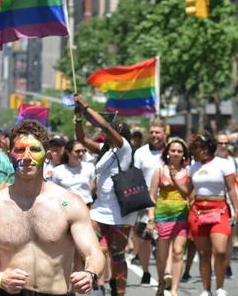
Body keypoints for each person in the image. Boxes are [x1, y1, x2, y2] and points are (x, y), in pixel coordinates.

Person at [0, 119, 105, 296]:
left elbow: (94, 253)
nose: (27, 157)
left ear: (47, 156)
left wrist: (89, 273)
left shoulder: (70, 204)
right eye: (20, 150)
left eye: (35, 150)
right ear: (9, 156)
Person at [74, 94, 136, 296]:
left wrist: (86, 106)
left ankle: (119, 292)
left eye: (112, 128)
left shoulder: (124, 149)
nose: (107, 130)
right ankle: (93, 286)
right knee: (87, 248)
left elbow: (105, 127)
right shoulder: (104, 150)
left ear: (119, 133)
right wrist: (78, 119)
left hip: (121, 213)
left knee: (117, 255)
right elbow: (81, 139)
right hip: (99, 209)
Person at [171, 131, 238, 296]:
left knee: (220, 250)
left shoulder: (224, 164)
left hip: (220, 210)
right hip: (198, 212)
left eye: (197, 148)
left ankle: (220, 287)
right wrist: (175, 180)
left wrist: (236, 210)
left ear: (206, 147)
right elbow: (188, 190)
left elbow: (231, 189)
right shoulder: (195, 167)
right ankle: (207, 289)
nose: (194, 151)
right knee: (203, 253)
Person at [145, 137, 190, 296]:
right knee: (161, 257)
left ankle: (175, 290)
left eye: (179, 151)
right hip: (162, 217)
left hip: (182, 217)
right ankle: (162, 283)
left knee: (178, 252)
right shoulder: (159, 171)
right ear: (168, 153)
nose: (176, 154)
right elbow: (152, 197)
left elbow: (189, 193)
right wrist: (151, 220)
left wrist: (177, 180)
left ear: (184, 154)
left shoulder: (188, 172)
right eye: (173, 151)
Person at [51, 139, 96, 273]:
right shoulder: (58, 170)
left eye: (83, 151)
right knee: (67, 251)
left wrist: (82, 204)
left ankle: (75, 290)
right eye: (77, 151)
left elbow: (92, 189)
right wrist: (67, 205)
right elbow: (56, 194)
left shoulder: (89, 167)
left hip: (86, 209)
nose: (81, 154)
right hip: (65, 211)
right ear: (69, 152)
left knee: (80, 252)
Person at [132, 119, 167, 287]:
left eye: (157, 132)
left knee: (165, 238)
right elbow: (135, 177)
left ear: (164, 134)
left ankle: (166, 273)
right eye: (152, 132)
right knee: (144, 238)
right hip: (145, 202)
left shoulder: (171, 151)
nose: (154, 135)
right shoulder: (140, 153)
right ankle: (146, 272)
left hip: (168, 202)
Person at [216, 133, 238, 279]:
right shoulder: (211, 161)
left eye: (226, 143)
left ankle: (226, 266)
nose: (224, 146)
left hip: (231, 204)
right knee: (215, 238)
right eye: (220, 143)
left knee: (229, 237)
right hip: (215, 204)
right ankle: (215, 267)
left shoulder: (235, 162)